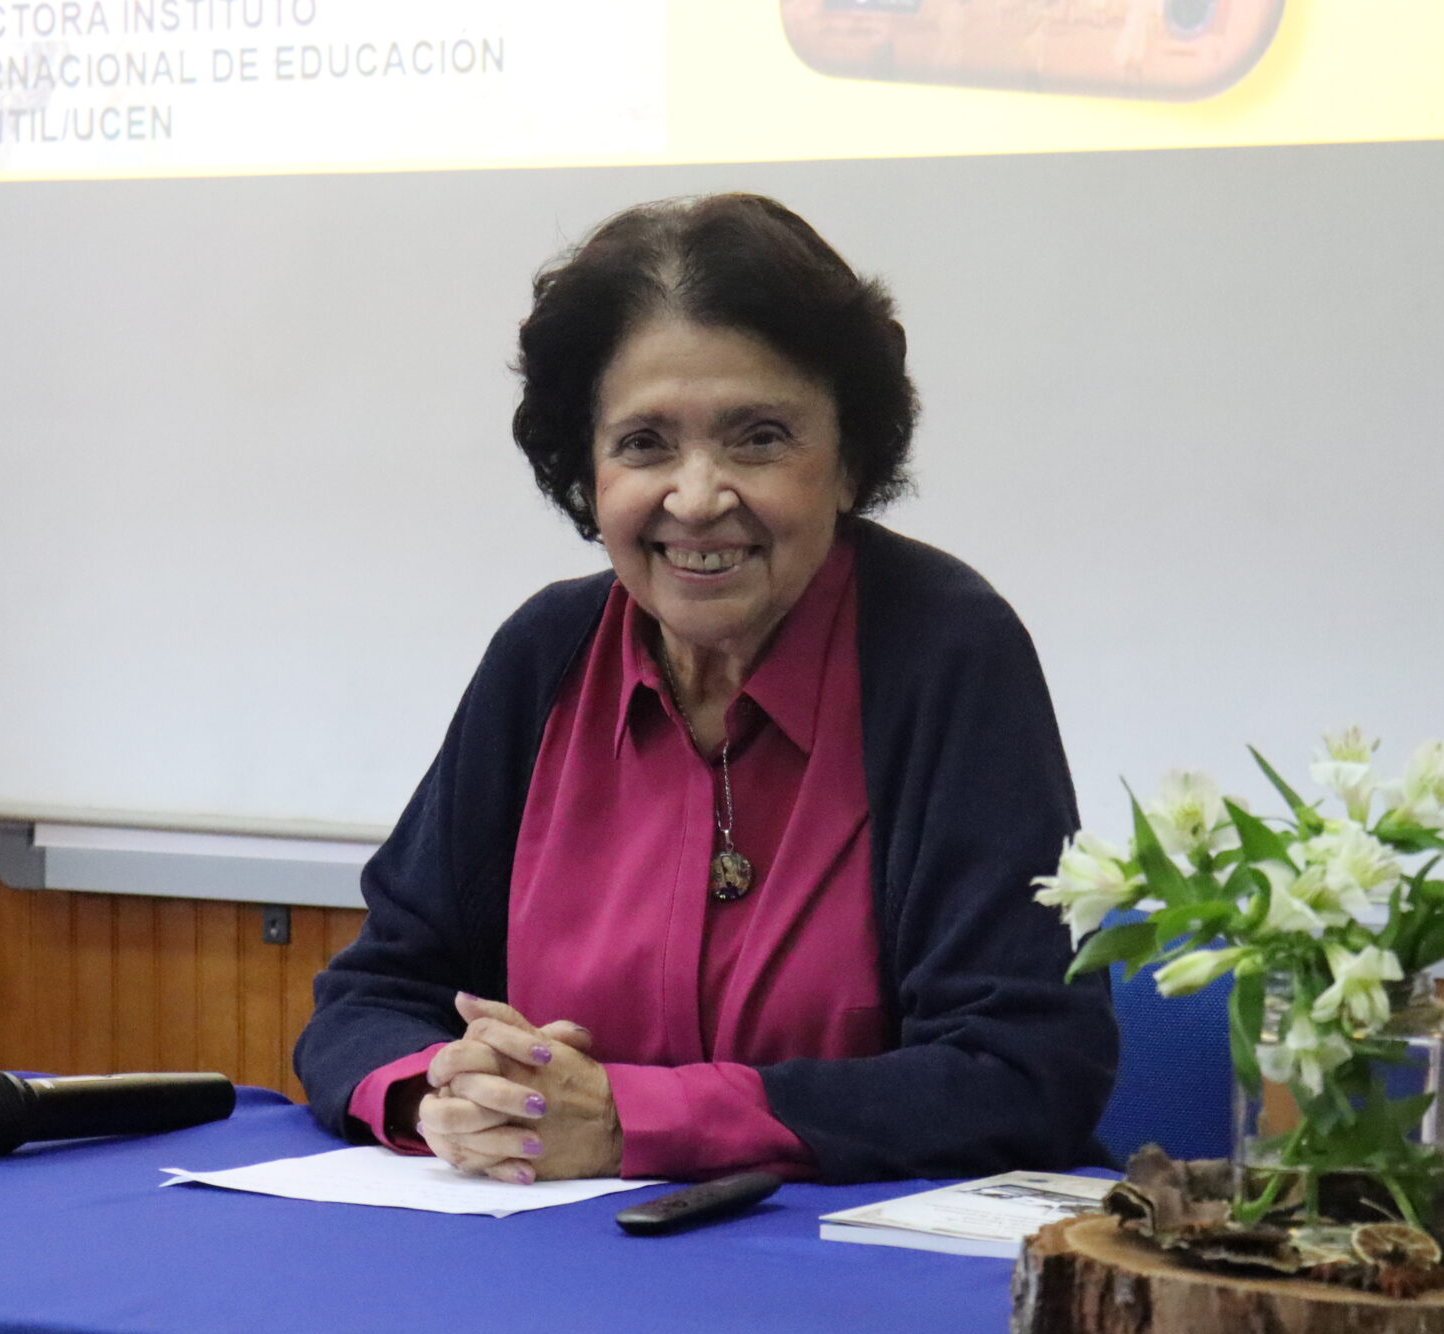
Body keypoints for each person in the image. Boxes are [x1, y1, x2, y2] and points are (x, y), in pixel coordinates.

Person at [292, 194, 1117, 1185]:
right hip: (554, 1247)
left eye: (758, 437)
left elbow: (1019, 1070)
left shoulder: (945, 650)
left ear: (849, 459)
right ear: (586, 471)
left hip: (849, 1263)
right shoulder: (545, 655)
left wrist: (630, 1121)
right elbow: (371, 996)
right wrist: (450, 1096)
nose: (695, 497)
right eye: (643, 443)